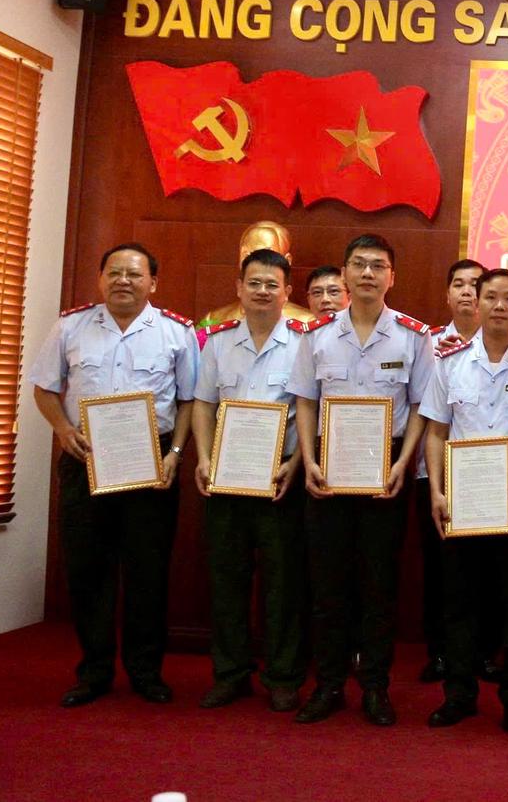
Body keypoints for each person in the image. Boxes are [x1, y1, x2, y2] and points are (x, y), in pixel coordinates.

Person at [31, 242, 198, 707]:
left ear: (153, 283)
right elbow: (44, 388)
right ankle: (94, 671)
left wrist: (176, 453)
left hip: (152, 460)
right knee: (88, 568)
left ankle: (146, 671)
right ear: (101, 279)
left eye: (134, 274)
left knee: (148, 570)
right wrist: (62, 429)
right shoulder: (71, 327)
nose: (124, 281)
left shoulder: (176, 333)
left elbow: (189, 400)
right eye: (115, 273)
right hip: (85, 456)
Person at [287, 234, 436, 727]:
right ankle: (328, 683)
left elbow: (422, 407)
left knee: (378, 584)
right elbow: (305, 401)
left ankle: (374, 685)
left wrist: (403, 464)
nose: (367, 273)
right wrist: (309, 460)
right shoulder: (317, 335)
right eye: (359, 264)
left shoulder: (414, 337)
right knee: (327, 583)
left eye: (377, 266)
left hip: (385, 466)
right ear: (345, 274)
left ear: (392, 276)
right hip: (328, 464)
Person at [420, 269, 508, 733]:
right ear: (476, 303)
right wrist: (436, 490)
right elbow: (435, 431)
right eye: (490, 296)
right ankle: (459, 695)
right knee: (460, 600)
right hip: (463, 486)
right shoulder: (449, 362)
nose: (499, 306)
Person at [189, 248, 309, 715]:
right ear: (239, 288)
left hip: (280, 478)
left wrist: (296, 464)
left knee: (283, 583)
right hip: (226, 478)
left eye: (271, 284)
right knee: (227, 579)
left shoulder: (303, 344)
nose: (262, 291)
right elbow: (203, 404)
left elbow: (312, 411)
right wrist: (203, 458)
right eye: (254, 283)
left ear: (287, 292)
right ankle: (230, 673)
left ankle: (283, 676)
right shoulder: (217, 343)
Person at [417, 258, 485, 684]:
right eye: (458, 284)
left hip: (491, 477)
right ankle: (440, 652)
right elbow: (427, 416)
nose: (467, 291)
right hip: (439, 474)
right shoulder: (426, 345)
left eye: (476, 284)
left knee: (487, 572)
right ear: (447, 295)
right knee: (440, 569)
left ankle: (484, 654)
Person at [198, 221, 314, 330]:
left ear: (287, 261)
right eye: (246, 254)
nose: (254, 261)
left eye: (265, 254)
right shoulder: (214, 320)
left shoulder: (306, 323)